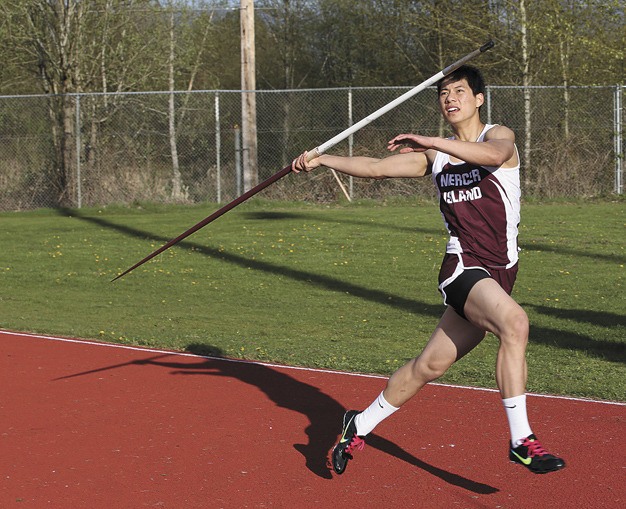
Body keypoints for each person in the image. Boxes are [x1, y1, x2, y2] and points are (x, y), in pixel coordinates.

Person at [291, 65, 565, 476]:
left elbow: (492, 156)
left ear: (478, 99)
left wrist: (434, 141)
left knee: (429, 366)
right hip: (462, 269)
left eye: (458, 91)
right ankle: (521, 440)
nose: (450, 98)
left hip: (500, 272)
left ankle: (358, 424)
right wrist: (321, 159)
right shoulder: (435, 158)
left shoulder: (498, 137)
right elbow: (375, 168)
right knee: (515, 323)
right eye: (443, 93)